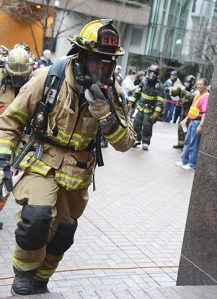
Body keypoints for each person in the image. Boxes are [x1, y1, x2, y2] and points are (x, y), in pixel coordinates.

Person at [0, 19, 136, 296]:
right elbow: (10, 121)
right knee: (36, 219)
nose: (102, 70)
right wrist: (3, 160)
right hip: (40, 160)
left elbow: (125, 143)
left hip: (78, 172)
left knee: (63, 233)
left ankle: (42, 278)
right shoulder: (48, 79)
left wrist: (106, 115)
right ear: (81, 56)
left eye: (108, 64)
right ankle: (24, 276)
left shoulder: (114, 94)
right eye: (97, 62)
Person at [0, 47, 34, 229]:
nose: (18, 79)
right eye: (15, 75)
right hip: (2, 139)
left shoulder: (34, 84)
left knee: (8, 182)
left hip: (22, 143)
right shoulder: (1, 82)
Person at [129, 64, 165, 150]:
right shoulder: (144, 81)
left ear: (157, 75)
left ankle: (145, 142)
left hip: (150, 110)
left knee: (147, 126)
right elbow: (137, 93)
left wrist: (156, 113)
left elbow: (160, 101)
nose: (152, 75)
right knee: (136, 124)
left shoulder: (159, 86)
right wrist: (131, 102)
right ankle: (137, 140)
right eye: (151, 72)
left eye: (155, 73)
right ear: (148, 72)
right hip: (140, 108)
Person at [175, 78, 209, 170]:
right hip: (192, 121)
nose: (198, 86)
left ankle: (192, 164)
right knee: (187, 142)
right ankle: (184, 160)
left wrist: (201, 125)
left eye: (200, 84)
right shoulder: (198, 95)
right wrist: (186, 119)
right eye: (197, 84)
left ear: (205, 86)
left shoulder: (206, 96)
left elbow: (205, 112)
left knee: (194, 144)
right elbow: (193, 109)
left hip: (197, 122)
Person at [172, 75, 196, 149]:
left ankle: (186, 146)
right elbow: (175, 96)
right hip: (183, 111)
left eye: (188, 82)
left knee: (187, 130)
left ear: (192, 82)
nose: (186, 84)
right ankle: (180, 143)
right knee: (180, 128)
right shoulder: (185, 89)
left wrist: (183, 90)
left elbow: (191, 97)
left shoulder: (195, 90)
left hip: (190, 113)